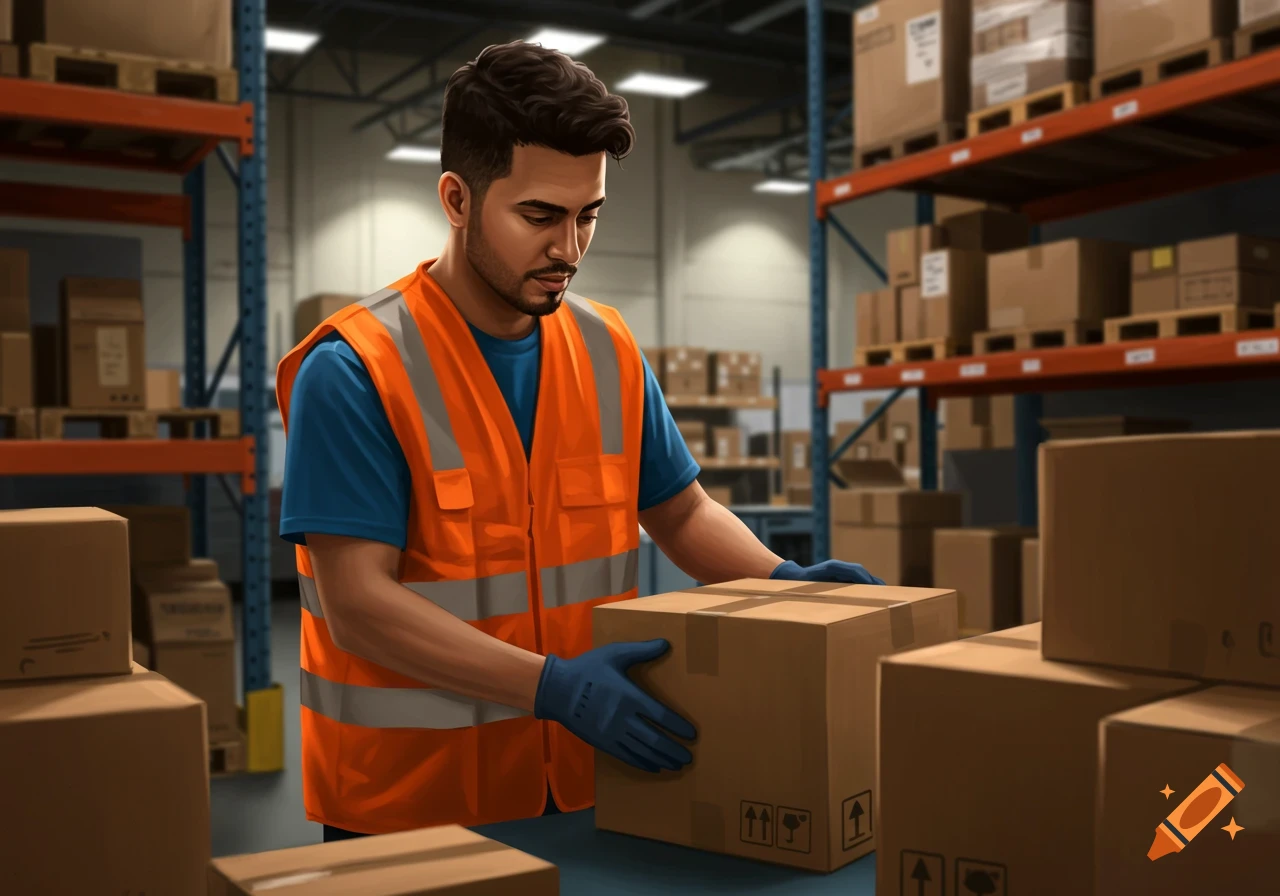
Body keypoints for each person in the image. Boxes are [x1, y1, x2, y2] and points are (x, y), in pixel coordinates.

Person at [276, 40, 884, 842]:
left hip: (588, 784)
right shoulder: (356, 368)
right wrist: (553, 688)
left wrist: (782, 581)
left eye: (587, 215)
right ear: (457, 199)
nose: (568, 248)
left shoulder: (606, 347)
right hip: (411, 809)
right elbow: (357, 606)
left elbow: (681, 512)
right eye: (540, 216)